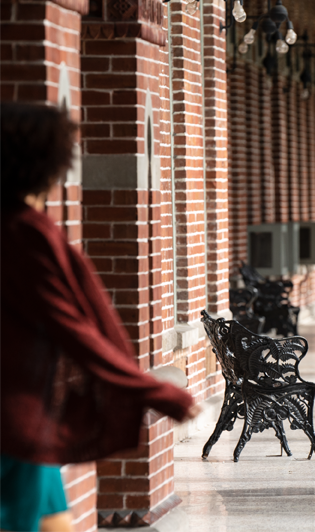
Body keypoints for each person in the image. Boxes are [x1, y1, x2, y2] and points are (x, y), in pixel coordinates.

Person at [0, 102, 200, 532]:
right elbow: (72, 328)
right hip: (14, 419)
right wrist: (155, 390)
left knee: (55, 522)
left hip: (29, 412)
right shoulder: (24, 232)